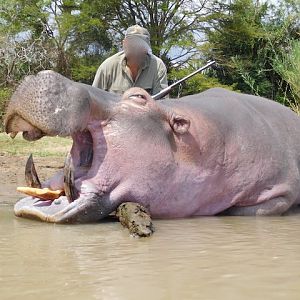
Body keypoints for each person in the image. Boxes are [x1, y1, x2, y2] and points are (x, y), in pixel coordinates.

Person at [92, 25, 168, 96]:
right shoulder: (107, 66)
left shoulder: (157, 66)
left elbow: (163, 102)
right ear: (124, 44)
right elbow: (94, 98)